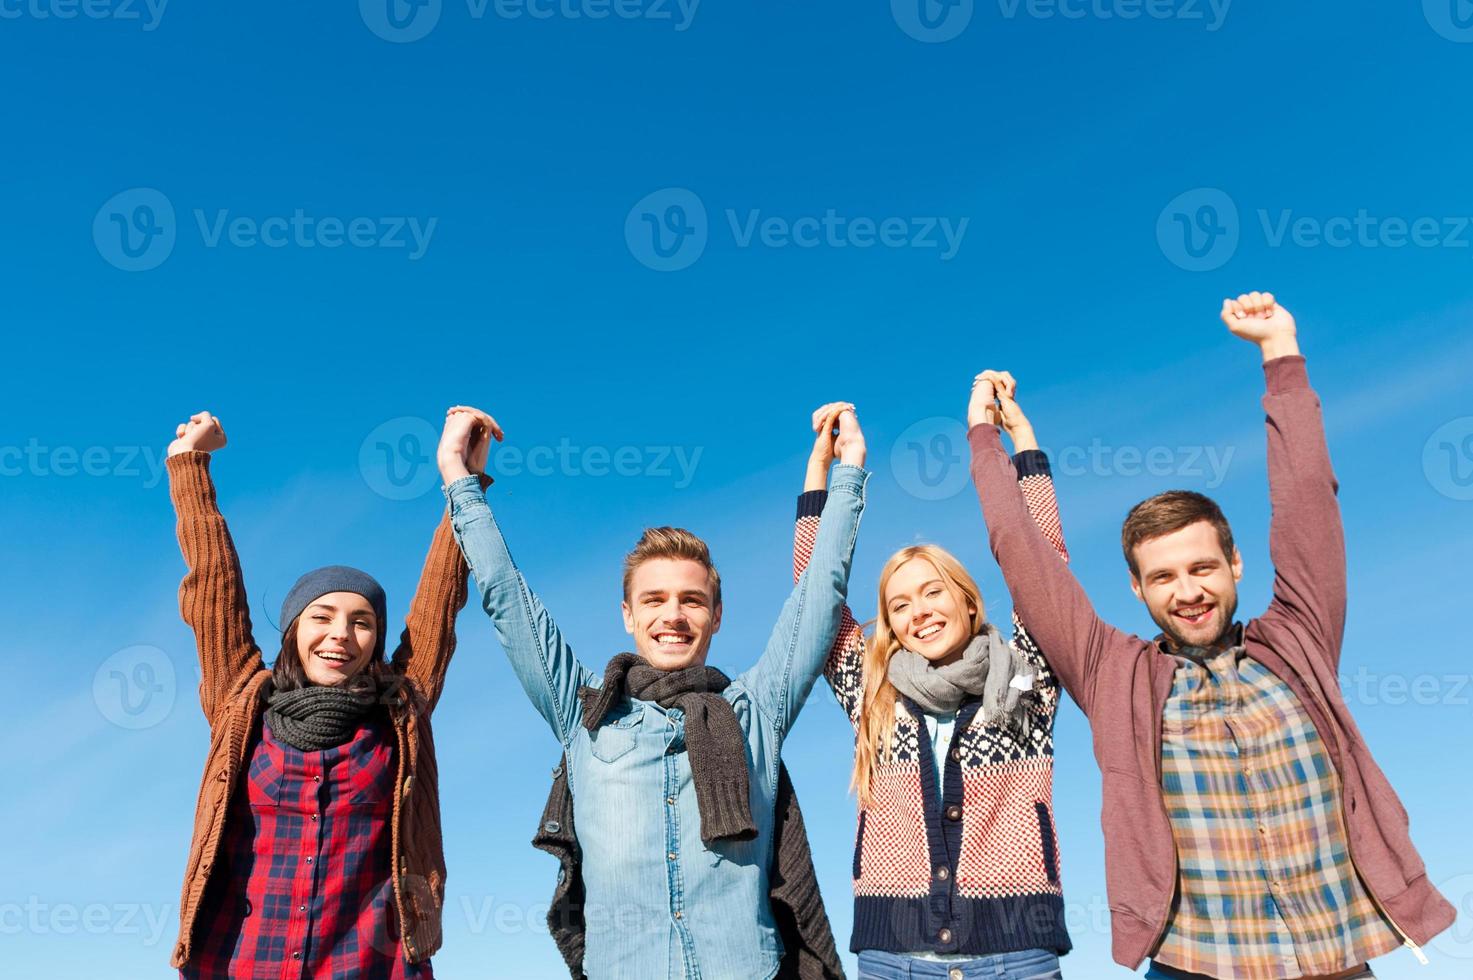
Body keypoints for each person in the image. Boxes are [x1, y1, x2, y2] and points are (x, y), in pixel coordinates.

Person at [967, 293, 1456, 980]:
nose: (1187, 590)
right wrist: (987, 441)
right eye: (1163, 576)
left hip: (1333, 957)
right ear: (1137, 589)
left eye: (1202, 567)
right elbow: (1019, 551)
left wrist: (1279, 355)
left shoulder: (1297, 639)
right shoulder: (1113, 673)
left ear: (1235, 565)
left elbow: (1306, 496)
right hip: (1194, 963)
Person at [439, 404, 869, 980]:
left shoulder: (754, 712)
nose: (674, 615)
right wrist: (460, 480)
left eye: (692, 600)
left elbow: (821, 592)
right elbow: (507, 599)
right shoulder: (586, 712)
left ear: (717, 615)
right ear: (627, 615)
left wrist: (846, 475)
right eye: (654, 600)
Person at [164, 409, 490, 978]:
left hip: (369, 964)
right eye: (323, 616)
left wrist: (460, 478)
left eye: (362, 622)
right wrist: (190, 466)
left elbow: (440, 602)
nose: (341, 634)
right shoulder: (242, 701)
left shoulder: (400, 709)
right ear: (295, 630)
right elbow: (213, 586)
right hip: (237, 961)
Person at [791, 397, 1072, 980]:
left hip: (1017, 956)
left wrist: (1021, 449)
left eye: (932, 592)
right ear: (889, 625)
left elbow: (1044, 570)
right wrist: (831, 473)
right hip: (894, 958)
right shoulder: (874, 692)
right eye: (899, 605)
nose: (918, 611)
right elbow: (815, 594)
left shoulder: (1023, 676)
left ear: (968, 602)